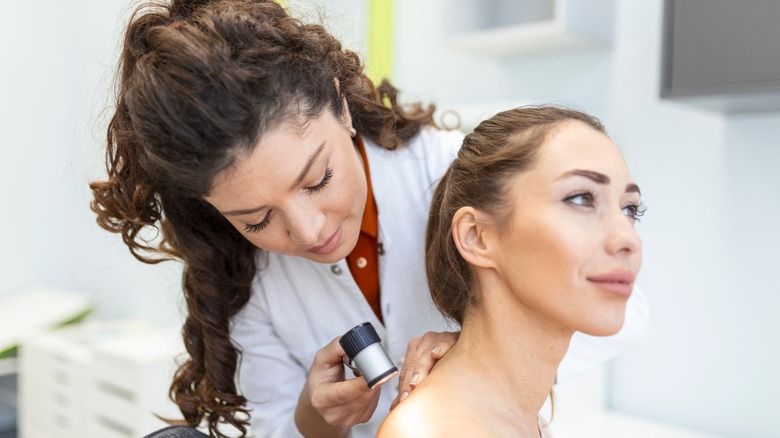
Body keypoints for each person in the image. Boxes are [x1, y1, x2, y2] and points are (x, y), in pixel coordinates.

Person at [90, 1, 649, 437]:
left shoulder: (458, 175)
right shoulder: (252, 282)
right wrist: (316, 415)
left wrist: (478, 349)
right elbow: (277, 429)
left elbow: (621, 305)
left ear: (338, 105)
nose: (308, 232)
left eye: (318, 180)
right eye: (258, 219)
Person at [377, 106, 645, 437]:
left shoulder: (524, 421)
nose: (628, 238)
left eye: (630, 209)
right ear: (476, 235)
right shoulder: (437, 430)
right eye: (580, 199)